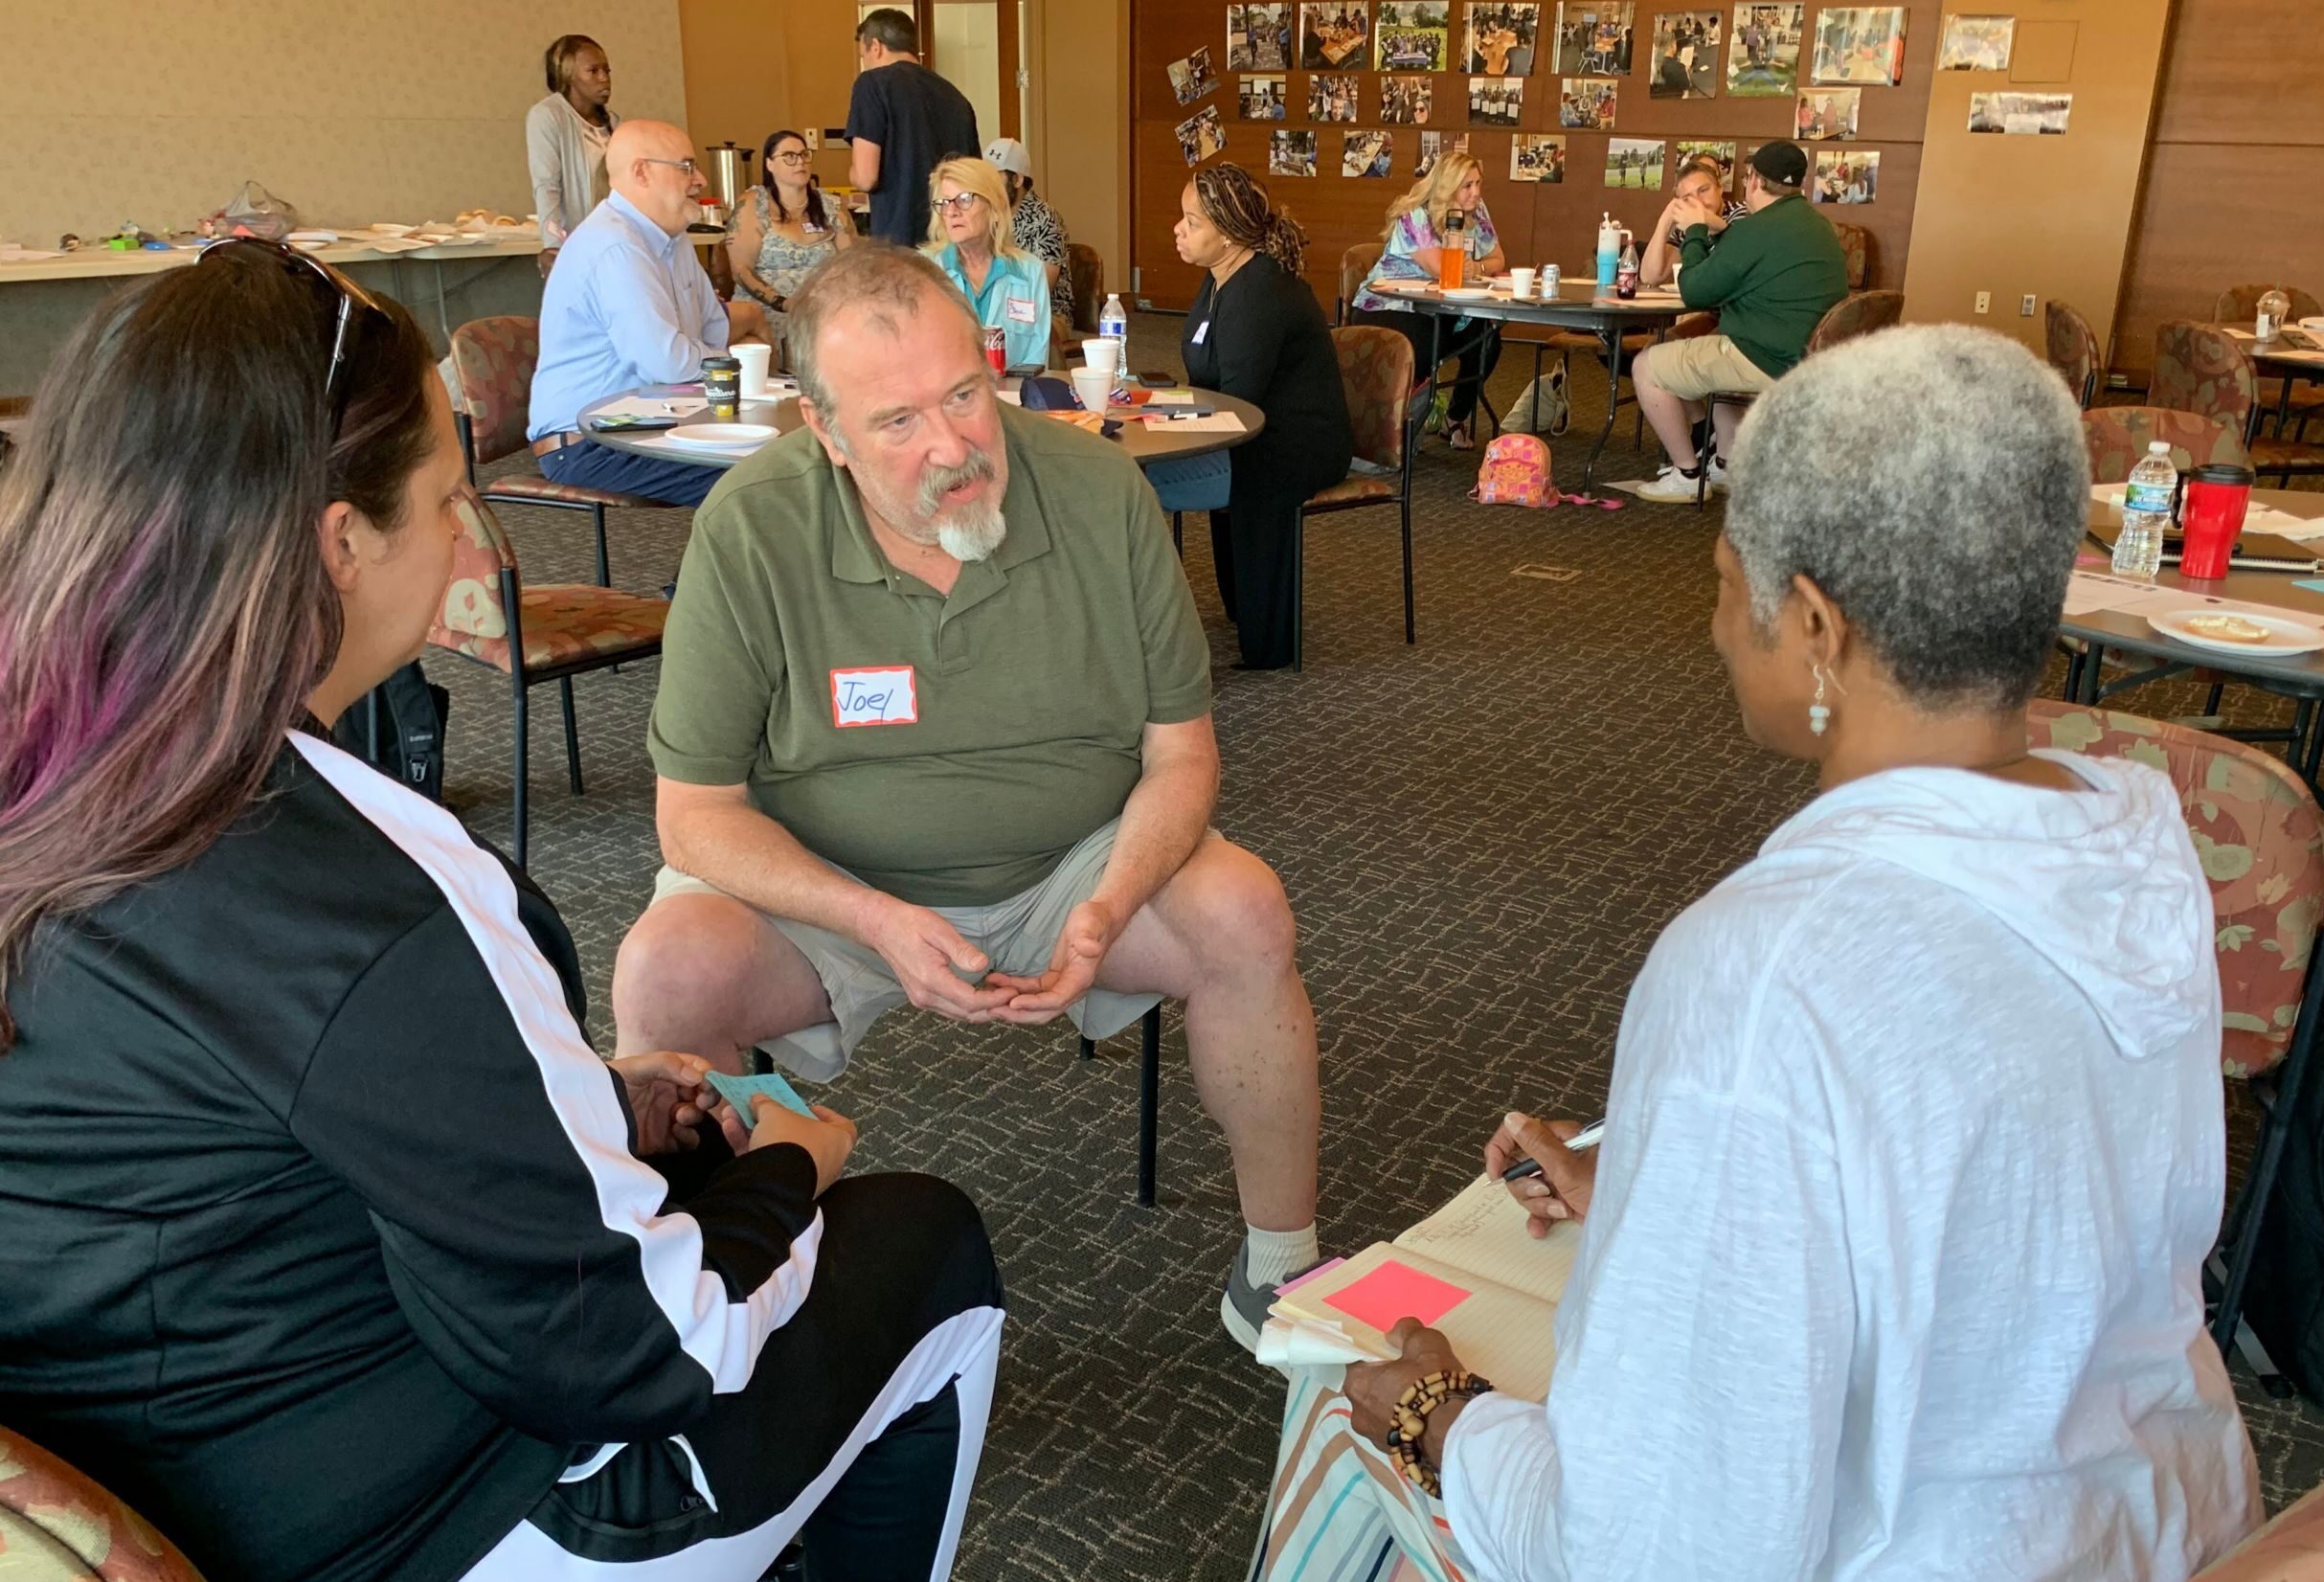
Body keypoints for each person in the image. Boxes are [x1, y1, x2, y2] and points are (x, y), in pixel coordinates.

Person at [0, 239, 1004, 1582]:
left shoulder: (62, 765)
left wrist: (579, 1093)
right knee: (927, 1245)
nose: (474, 541)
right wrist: (789, 1172)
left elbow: (283, 1095)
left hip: (126, 1451)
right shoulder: (367, 896)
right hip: (403, 1521)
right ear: (338, 544)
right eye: (446, 499)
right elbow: (639, 1351)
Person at [1249, 325, 2261, 1582]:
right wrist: (1663, 1186)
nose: (1717, 625)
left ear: (1819, 626)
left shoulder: (1767, 968)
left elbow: (1652, 1552)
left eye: (1728, 583)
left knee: (1343, 1407)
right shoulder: (2134, 836)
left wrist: (1442, 1416)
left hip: (1912, 1550)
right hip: (2156, 1514)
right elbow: (1986, 1213)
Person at [608, 243, 1323, 1355]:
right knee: (665, 970)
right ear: (825, 433)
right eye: (896, 422)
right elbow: (694, 812)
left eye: (965, 393)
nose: (953, 446)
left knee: (1246, 910)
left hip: (1077, 862)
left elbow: (1182, 755)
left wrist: (1107, 902)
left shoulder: (1098, 489)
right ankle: (721, 1305)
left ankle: (1285, 1270)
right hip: (831, 888)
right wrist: (874, 919)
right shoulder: (750, 529)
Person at [527, 120, 769, 508]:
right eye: (687, 167)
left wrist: (717, 352)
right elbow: (669, 365)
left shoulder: (674, 239)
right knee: (764, 480)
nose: (701, 179)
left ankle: (719, 570)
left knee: (783, 462)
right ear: (641, 172)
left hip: (652, 422)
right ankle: (703, 572)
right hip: (586, 442)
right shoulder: (615, 246)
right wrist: (733, 359)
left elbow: (713, 329)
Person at [1169, 163, 1352, 670]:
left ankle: (1265, 642)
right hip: (1248, 428)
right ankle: (1231, 610)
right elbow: (1210, 379)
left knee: (1151, 479)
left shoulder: (1260, 292)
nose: (1178, 230)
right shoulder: (1220, 279)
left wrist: (1173, 421)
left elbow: (1240, 399)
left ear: (1226, 234)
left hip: (1295, 444)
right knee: (1146, 471)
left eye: (1192, 222)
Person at [1630, 140, 1847, 501]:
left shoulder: (1755, 229)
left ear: (1753, 181)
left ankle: (1686, 473)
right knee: (1719, 348)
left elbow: (1696, 292)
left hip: (1770, 357)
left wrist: (1697, 230)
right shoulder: (1818, 226)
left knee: (1647, 366)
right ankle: (1727, 465)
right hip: (1808, 356)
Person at [1350, 151, 1507, 450]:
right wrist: (1472, 265)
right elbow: (1442, 268)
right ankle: (1391, 428)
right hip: (1389, 306)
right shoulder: (1416, 216)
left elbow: (1499, 258)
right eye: (1467, 186)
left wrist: (1480, 267)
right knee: (1420, 345)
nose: (1476, 193)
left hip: (1443, 306)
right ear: (1447, 188)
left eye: (1478, 184)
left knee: (1486, 340)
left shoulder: (1477, 211)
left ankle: (1454, 418)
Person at [847, 7, 981, 247]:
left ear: (875, 47)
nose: (865, 63)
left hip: (900, 241)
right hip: (952, 240)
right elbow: (974, 180)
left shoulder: (872, 84)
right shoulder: (955, 97)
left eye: (863, 56)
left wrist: (853, 173)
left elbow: (866, 177)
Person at [921, 156, 1053, 372]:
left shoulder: (1030, 271)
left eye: (964, 199)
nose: (952, 211)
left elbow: (1036, 362)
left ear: (994, 209)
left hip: (1012, 399)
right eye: (944, 203)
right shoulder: (923, 271)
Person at [728, 128, 855, 351]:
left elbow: (852, 262)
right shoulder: (752, 205)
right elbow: (741, 270)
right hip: (766, 315)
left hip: (822, 314)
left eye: (804, 154)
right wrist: (785, 303)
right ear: (769, 164)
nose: (800, 162)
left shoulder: (831, 206)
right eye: (789, 156)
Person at [526, 34, 614, 276]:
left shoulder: (613, 122)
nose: (604, 79)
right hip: (574, 245)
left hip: (612, 242)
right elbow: (547, 186)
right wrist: (553, 246)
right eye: (593, 71)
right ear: (569, 76)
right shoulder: (547, 115)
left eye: (607, 70)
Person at [983, 136, 1074, 338]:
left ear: (1017, 180)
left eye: (995, 177)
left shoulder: (1045, 218)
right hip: (993, 306)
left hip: (1046, 312)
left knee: (1014, 327)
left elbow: (1041, 287)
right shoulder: (987, 215)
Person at [1639, 155, 1746, 287]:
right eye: (1687, 197)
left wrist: (1699, 219)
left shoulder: (1741, 211)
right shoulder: (1684, 229)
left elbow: (1741, 247)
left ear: (1720, 188)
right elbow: (1649, 277)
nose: (1698, 201)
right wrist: (1664, 223)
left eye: (1703, 190)